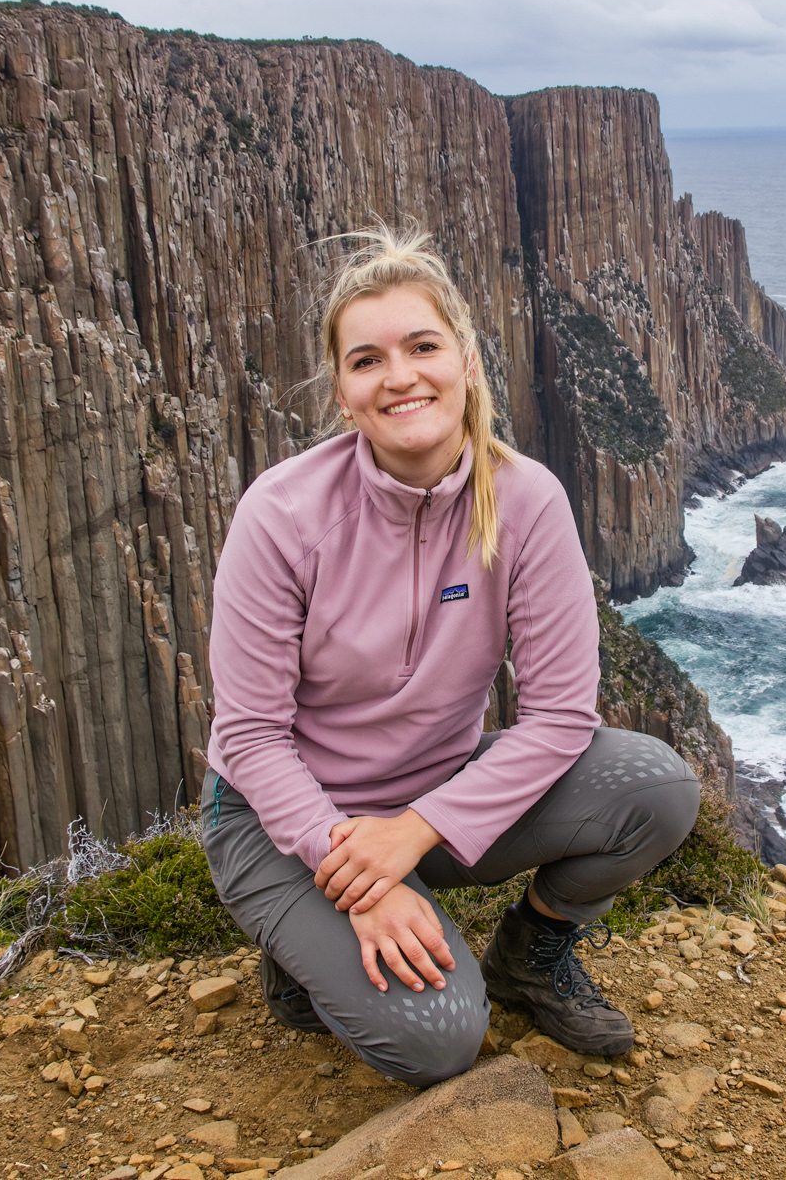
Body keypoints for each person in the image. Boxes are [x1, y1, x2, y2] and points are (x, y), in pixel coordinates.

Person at [200, 228, 701, 1087]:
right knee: (438, 1041)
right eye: (368, 360)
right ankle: (300, 954)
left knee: (655, 787)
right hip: (280, 822)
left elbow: (559, 720)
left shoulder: (527, 501)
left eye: (422, 346)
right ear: (343, 392)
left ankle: (530, 956)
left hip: (432, 801)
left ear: (466, 359)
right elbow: (249, 739)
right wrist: (354, 871)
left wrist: (415, 833)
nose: (399, 376)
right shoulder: (281, 515)